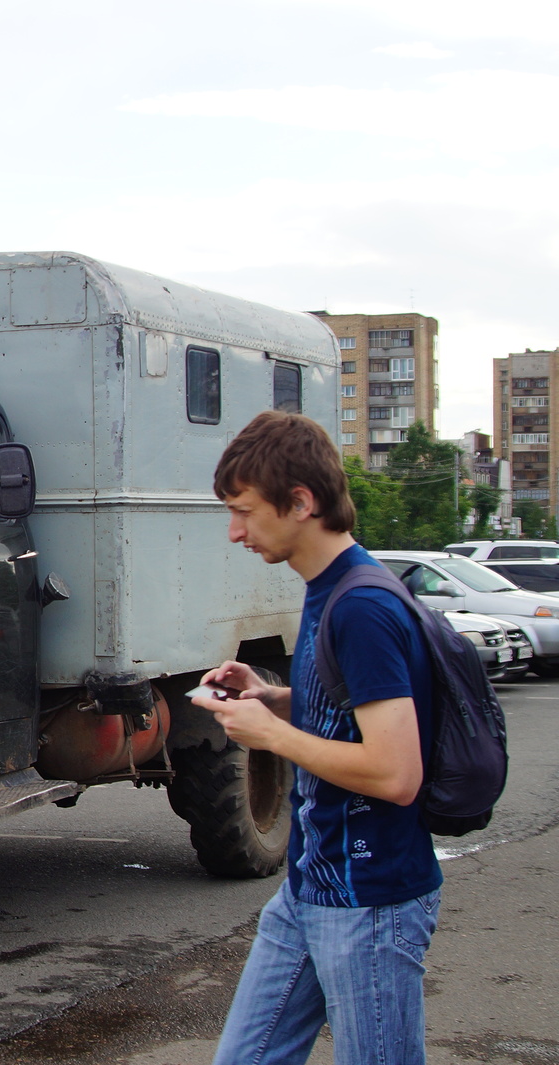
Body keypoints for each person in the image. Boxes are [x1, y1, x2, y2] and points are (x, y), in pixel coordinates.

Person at [193, 410, 440, 1065]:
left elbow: (395, 771)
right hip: (310, 890)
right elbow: (348, 711)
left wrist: (271, 733)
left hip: (369, 902)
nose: (235, 529)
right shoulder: (327, 590)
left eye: (244, 510)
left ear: (301, 501)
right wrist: (268, 694)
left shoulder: (361, 606)